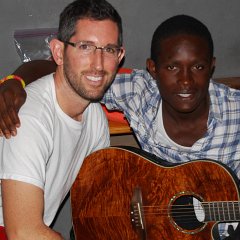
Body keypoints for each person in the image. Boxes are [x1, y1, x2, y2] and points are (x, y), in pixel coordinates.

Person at [0, 14, 239, 239]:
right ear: (153, 70)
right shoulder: (139, 93)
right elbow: (69, 71)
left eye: (198, 67)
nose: (185, 80)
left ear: (211, 67)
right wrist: (14, 81)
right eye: (172, 67)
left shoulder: (235, 112)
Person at [0, 0, 125, 239]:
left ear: (120, 56)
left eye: (109, 49)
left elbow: (96, 203)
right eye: (85, 47)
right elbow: (22, 232)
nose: (98, 65)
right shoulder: (30, 117)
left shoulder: (95, 117)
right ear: (58, 52)